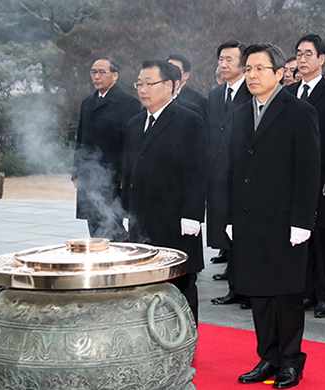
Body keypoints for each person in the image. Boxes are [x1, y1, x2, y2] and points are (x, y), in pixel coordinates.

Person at [227, 43, 320, 389]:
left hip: (285, 221)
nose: (251, 75)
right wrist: (230, 216)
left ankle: (291, 360)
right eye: (247, 68)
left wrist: (302, 220)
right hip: (250, 218)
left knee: (285, 293)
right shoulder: (239, 113)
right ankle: (268, 355)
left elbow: (309, 170)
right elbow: (234, 168)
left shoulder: (299, 111)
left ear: (280, 73)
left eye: (259, 69)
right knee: (259, 292)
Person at [121, 60, 208, 324]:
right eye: (139, 84)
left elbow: (197, 171)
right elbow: (128, 172)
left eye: (150, 83)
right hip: (141, 220)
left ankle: (185, 339)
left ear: (170, 86)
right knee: (146, 285)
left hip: (176, 221)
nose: (143, 89)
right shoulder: (135, 124)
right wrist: (126, 210)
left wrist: (193, 215)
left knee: (180, 284)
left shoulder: (189, 120)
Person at [287, 34, 325, 318]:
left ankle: (324, 296)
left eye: (308, 54)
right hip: (294, 181)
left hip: (322, 180)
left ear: (322, 59)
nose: (302, 59)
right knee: (301, 242)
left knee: (323, 243)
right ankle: (306, 292)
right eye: (299, 53)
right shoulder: (289, 93)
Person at [72, 56, 142, 241]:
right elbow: (81, 139)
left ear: (115, 75)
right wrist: (76, 172)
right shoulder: (87, 103)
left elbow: (132, 143)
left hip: (114, 176)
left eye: (102, 72)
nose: (96, 77)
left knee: (115, 223)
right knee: (93, 220)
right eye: (93, 72)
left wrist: (126, 175)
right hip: (89, 174)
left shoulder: (129, 104)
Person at [207, 40, 253, 308]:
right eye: (221, 59)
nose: (223, 65)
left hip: (243, 176)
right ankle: (234, 287)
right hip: (219, 176)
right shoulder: (215, 94)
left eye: (229, 60)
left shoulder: (252, 92)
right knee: (227, 236)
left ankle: (249, 290)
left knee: (245, 236)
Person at [168, 53, 208, 118]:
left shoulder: (198, 101)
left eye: (175, 69)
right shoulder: (156, 97)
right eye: (167, 68)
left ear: (186, 75)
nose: (169, 72)